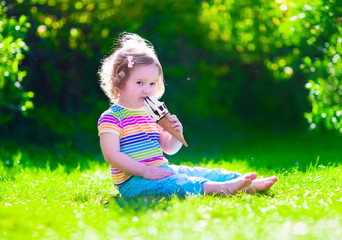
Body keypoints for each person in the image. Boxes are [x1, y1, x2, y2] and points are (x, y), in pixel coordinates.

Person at [97, 32, 278, 198]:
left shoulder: (150, 114)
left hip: (160, 169)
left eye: (152, 83)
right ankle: (224, 189)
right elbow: (112, 155)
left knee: (196, 172)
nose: (147, 89)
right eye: (139, 82)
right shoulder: (111, 117)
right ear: (119, 82)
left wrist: (176, 134)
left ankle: (243, 183)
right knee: (179, 183)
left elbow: (169, 148)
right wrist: (144, 171)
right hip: (133, 182)